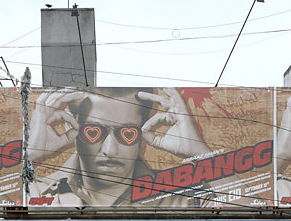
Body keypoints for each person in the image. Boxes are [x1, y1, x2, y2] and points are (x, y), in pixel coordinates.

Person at [26, 87, 214, 207]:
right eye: (94, 132)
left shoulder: (180, 198)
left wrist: (201, 153)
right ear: (71, 127)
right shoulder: (34, 192)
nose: (110, 149)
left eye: (127, 134)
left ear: (143, 132)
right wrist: (30, 155)